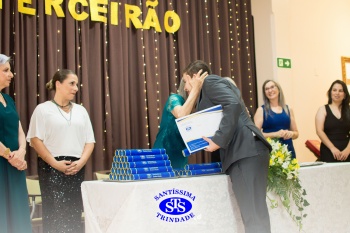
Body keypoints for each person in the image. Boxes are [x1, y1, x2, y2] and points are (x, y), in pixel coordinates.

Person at [182, 60, 272, 233]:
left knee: (253, 217)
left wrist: (218, 140)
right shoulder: (208, 90)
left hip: (245, 152)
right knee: (256, 214)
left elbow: (233, 104)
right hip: (250, 151)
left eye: (186, 81)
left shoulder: (210, 82)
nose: (185, 87)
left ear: (195, 76)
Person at [26, 69, 95, 233]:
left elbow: (90, 141)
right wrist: (55, 164)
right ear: (58, 84)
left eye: (77, 84)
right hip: (51, 167)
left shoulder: (81, 111)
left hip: (76, 167)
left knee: (74, 212)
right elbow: (35, 140)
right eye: (72, 83)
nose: (76, 88)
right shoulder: (42, 109)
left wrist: (81, 162)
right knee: (55, 213)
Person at [0, 54, 32, 233]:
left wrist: (21, 151)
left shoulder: (9, 100)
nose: (11, 74)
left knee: (18, 213)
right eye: (6, 70)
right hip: (4, 163)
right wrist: (10, 156)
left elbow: (20, 130)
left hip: (15, 165)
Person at [153, 69, 208, 169]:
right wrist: (195, 89)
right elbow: (181, 115)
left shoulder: (198, 107)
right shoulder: (174, 99)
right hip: (162, 158)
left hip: (180, 159)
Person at [253, 80, 299, 159]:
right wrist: (275, 134)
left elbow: (296, 133)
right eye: (266, 89)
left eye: (272, 87)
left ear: (278, 89)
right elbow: (256, 135)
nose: (270, 90)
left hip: (289, 152)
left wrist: (291, 134)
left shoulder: (288, 109)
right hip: (271, 153)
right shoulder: (261, 110)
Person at [315, 80, 350, 162]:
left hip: (347, 150)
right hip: (329, 150)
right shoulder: (323, 109)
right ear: (330, 93)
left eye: (340, 91)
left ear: (344, 95)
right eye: (334, 90)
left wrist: (348, 150)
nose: (337, 93)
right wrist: (333, 148)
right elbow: (319, 131)